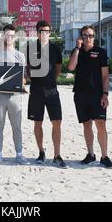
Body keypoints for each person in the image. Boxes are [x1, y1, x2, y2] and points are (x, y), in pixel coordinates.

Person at [68, 26, 112, 168]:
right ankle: (91, 154)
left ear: (94, 37)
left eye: (90, 35)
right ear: (81, 37)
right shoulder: (77, 52)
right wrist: (77, 48)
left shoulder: (100, 52)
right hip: (81, 94)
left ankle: (104, 155)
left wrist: (105, 94)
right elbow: (70, 68)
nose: (88, 38)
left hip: (97, 94)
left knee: (101, 124)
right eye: (85, 35)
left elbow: (105, 75)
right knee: (86, 124)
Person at [27, 20, 67, 168]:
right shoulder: (31, 48)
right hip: (36, 90)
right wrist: (34, 80)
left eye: (47, 31)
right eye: (41, 31)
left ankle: (57, 155)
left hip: (52, 90)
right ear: (37, 33)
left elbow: (58, 67)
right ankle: (41, 152)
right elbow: (28, 68)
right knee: (38, 122)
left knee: (57, 122)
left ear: (50, 33)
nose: (44, 34)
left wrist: (51, 81)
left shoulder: (55, 49)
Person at [0, 24, 29, 166]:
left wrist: (21, 83)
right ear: (3, 36)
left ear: (15, 37)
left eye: (12, 35)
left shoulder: (20, 55)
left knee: (17, 127)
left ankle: (19, 155)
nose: (9, 37)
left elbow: (24, 77)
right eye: (7, 35)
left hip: (15, 97)